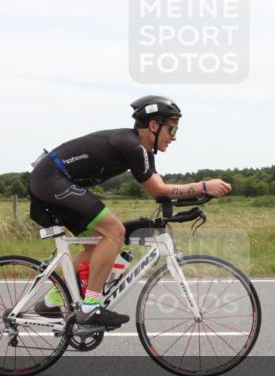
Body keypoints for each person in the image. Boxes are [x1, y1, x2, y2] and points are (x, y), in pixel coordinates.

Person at [28, 95, 232, 328]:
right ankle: (91, 307)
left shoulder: (143, 151)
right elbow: (158, 191)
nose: (174, 138)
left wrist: (194, 198)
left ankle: (52, 302)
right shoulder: (131, 145)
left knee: (98, 245)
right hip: (51, 180)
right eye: (171, 130)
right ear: (153, 126)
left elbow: (164, 190)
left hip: (52, 181)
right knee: (115, 231)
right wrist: (204, 186)